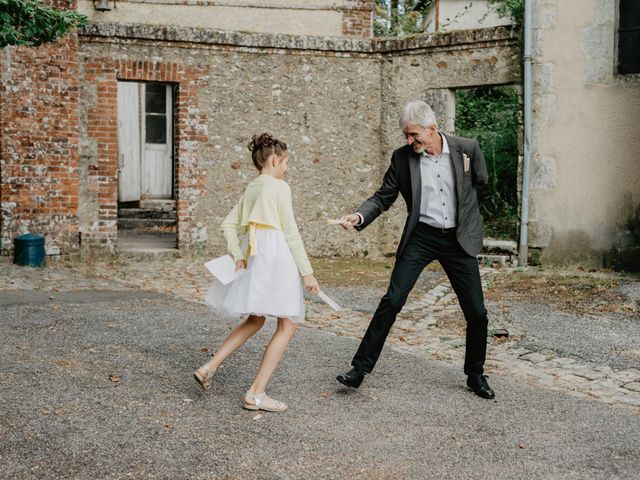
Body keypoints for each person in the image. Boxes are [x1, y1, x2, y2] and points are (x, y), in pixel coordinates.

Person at [336, 100, 495, 399]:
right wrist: (359, 217)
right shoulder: (402, 159)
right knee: (392, 300)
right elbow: (382, 197)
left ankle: (475, 374)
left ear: (432, 128)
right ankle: (359, 369)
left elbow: (480, 183)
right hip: (421, 237)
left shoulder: (468, 149)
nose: (409, 141)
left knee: (476, 312)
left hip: (458, 239)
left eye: (413, 135)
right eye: (406, 136)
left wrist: (468, 223)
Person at [193, 133, 320, 412]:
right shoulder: (279, 187)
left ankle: (208, 367)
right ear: (275, 160)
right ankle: (257, 393)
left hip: (254, 255)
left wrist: (238, 255)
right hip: (276, 256)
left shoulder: (251, 188)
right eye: (286, 162)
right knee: (288, 324)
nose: (287, 168)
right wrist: (307, 272)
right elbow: (291, 232)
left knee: (255, 319)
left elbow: (228, 225)